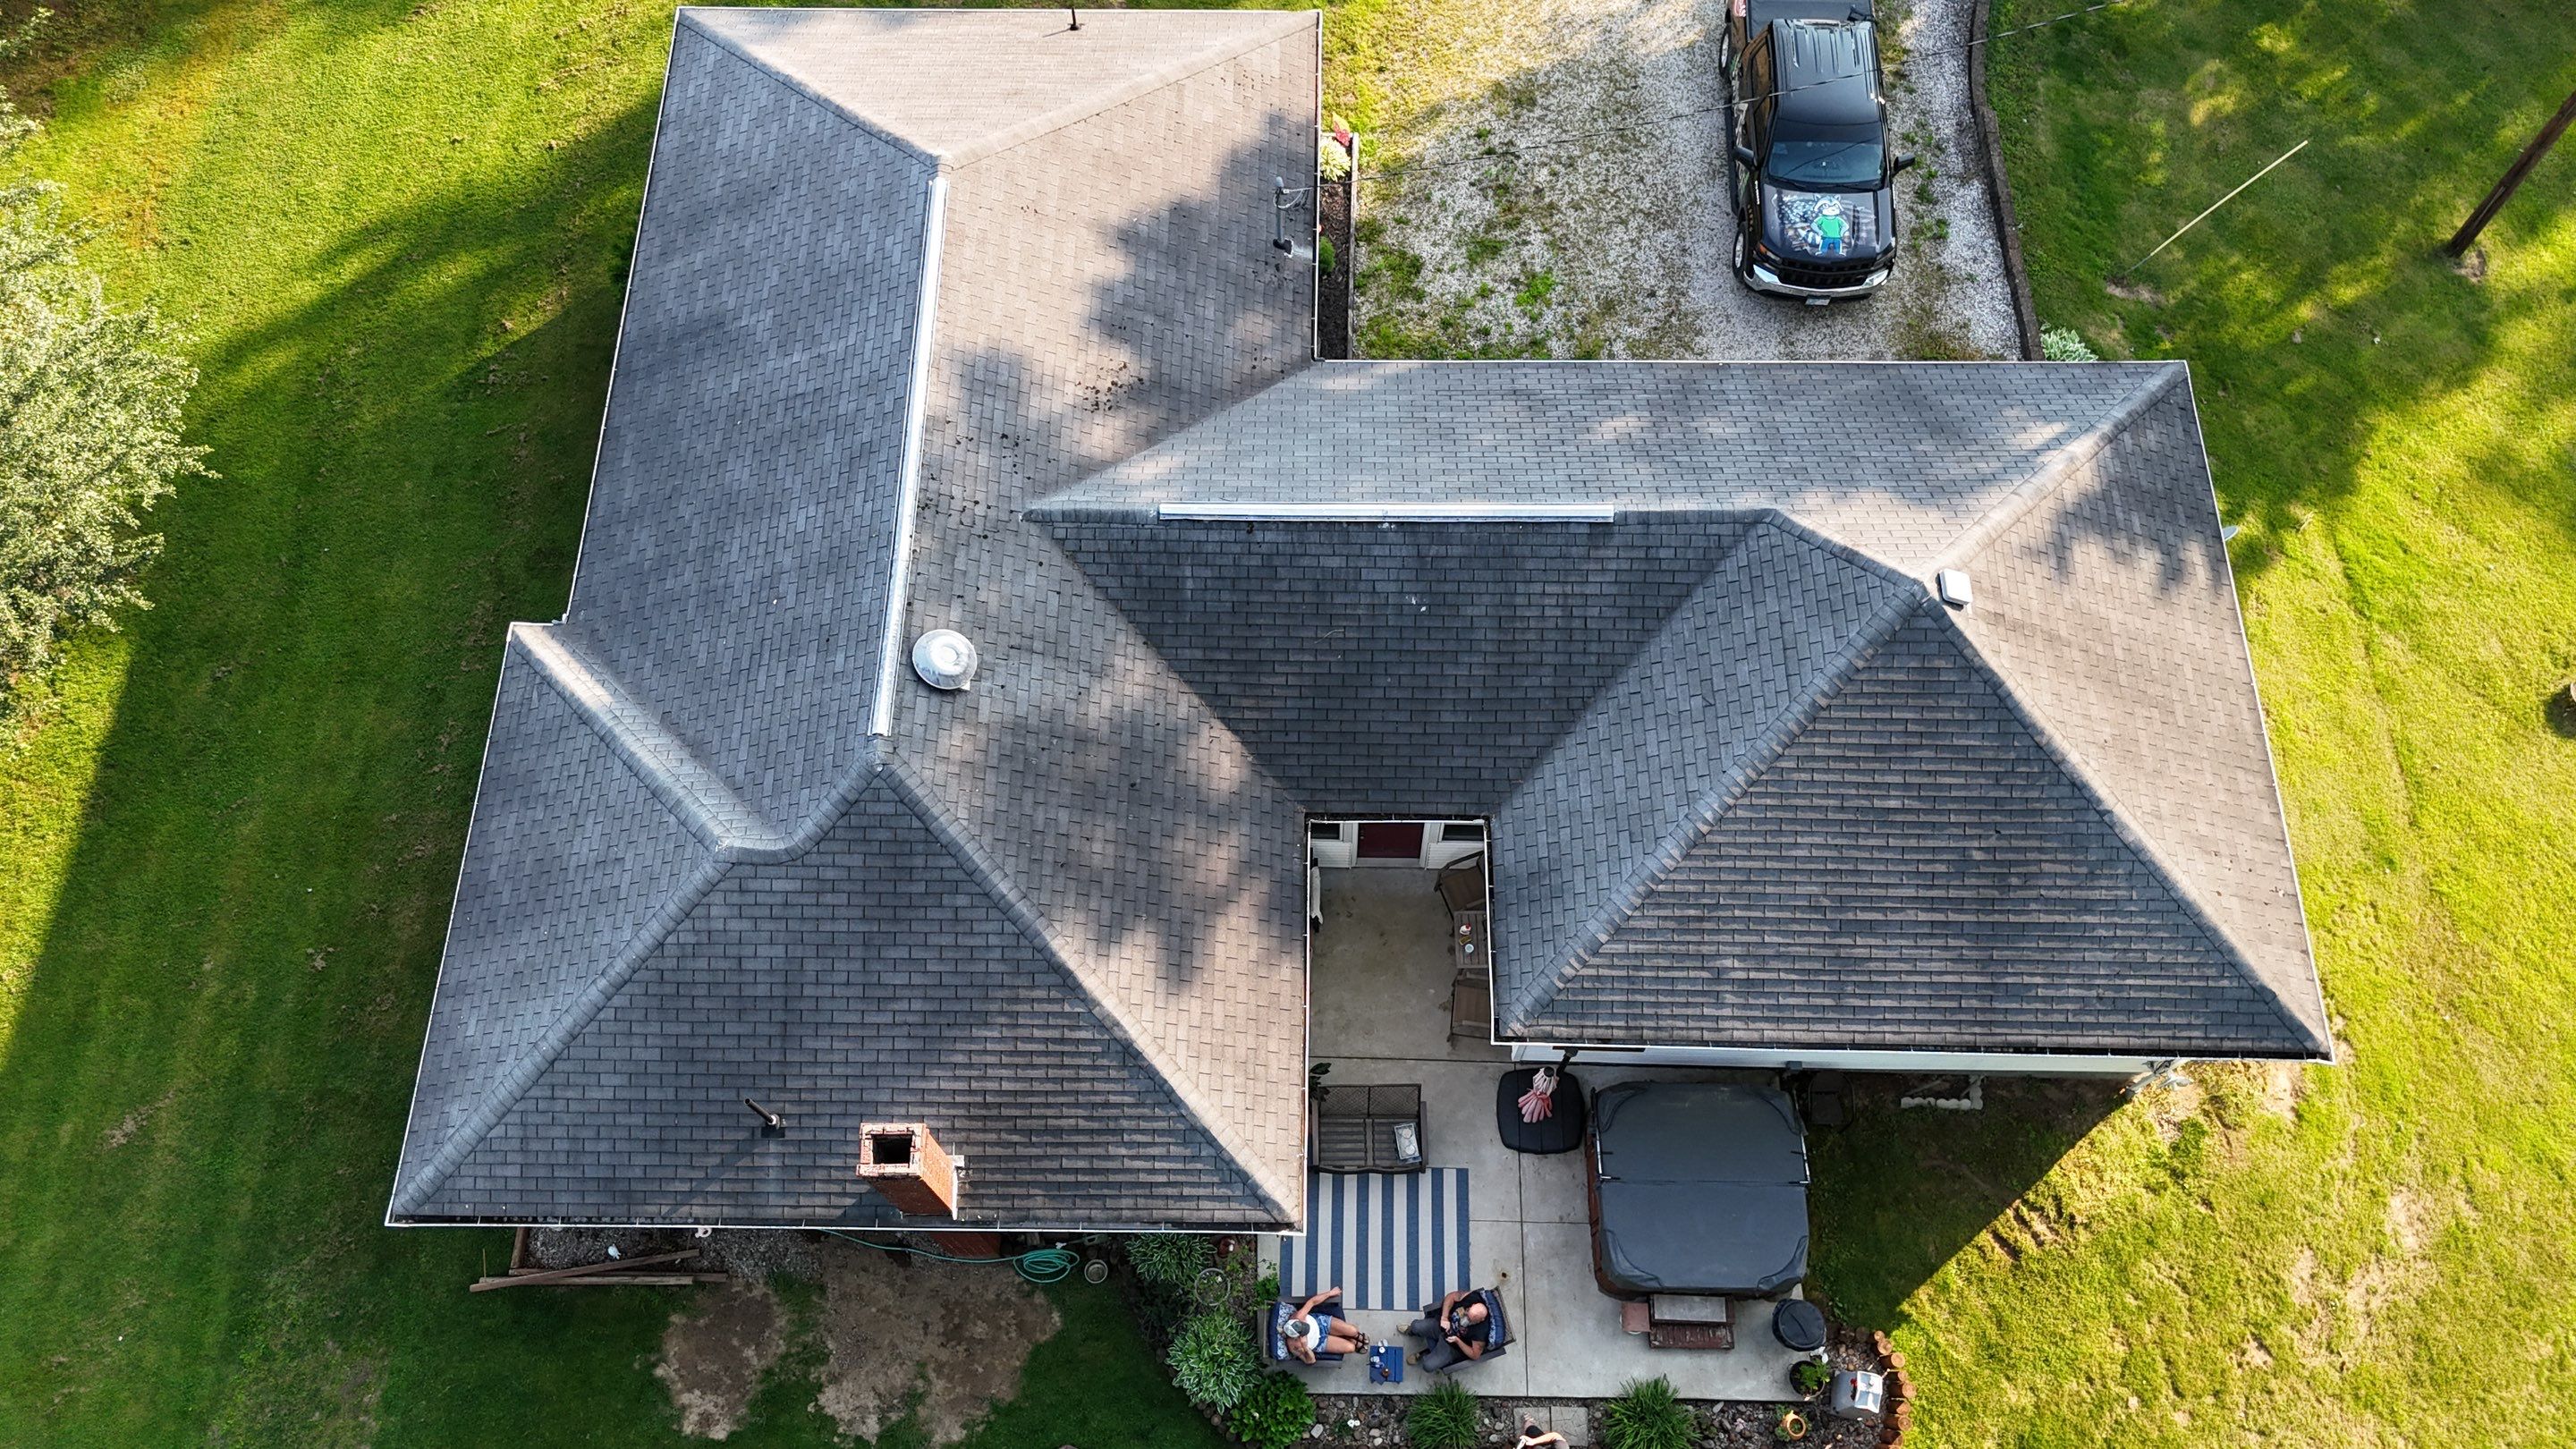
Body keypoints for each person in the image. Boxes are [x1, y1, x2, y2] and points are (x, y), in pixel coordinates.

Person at [1403, 1287, 1497, 1370]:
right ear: (1472, 1306)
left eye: (1470, 1320)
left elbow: (1475, 1355)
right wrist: (1444, 1317)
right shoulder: (1471, 1298)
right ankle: (1411, 1331)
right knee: (1415, 1326)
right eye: (1467, 1314)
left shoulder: (1481, 1332)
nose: (1466, 1319)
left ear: (1481, 1320)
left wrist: (1458, 1341)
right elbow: (1451, 1296)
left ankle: (1425, 1353)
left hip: (1452, 1346)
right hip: (1443, 1326)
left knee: (1428, 1366)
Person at [1280, 1285, 1368, 1364]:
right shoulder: (1293, 1346)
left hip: (1320, 1323)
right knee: (1351, 1348)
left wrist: (1330, 1293)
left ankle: (1352, 1336)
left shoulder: (1298, 1317)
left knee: (1353, 1331)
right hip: (1320, 1342)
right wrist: (1305, 1347)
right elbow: (1310, 1361)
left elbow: (1312, 1302)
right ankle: (1348, 1339)